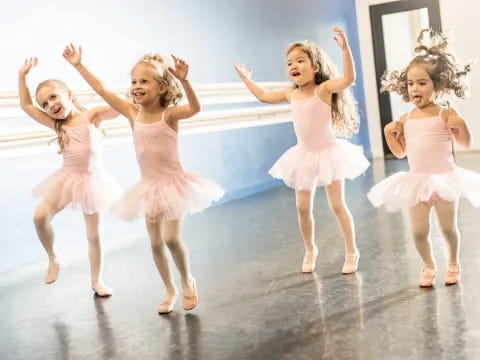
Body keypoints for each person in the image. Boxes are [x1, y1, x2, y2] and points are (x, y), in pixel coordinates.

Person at [64, 44, 224, 313]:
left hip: (174, 185)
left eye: (144, 81)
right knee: (155, 243)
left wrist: (185, 81)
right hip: (148, 188)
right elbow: (102, 90)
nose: (137, 86)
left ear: (161, 87)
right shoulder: (132, 113)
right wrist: (79, 65)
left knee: (172, 239)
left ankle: (187, 280)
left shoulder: (169, 115)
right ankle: (170, 289)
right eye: (134, 81)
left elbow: (195, 108)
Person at [234, 28, 369, 274]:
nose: (293, 65)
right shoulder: (291, 93)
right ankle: (310, 248)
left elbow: (348, 79)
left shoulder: (324, 90)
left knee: (337, 205)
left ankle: (351, 250)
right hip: (304, 155)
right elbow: (264, 96)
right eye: (289, 63)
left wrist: (345, 49)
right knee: (302, 208)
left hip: (328, 152)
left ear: (314, 66)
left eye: (299, 61)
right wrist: (246, 79)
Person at [367, 29, 480, 287]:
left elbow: (465, 144)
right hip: (417, 182)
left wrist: (461, 125)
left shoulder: (444, 114)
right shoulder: (406, 119)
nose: (414, 88)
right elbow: (400, 152)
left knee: (448, 229)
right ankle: (429, 265)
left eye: (421, 82)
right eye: (410, 83)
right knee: (418, 232)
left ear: (436, 86)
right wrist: (388, 133)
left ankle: (453, 261)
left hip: (444, 180)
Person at [18, 57, 122, 296]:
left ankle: (97, 281)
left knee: (94, 235)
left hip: (92, 182)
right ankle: (54, 256)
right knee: (39, 217)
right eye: (45, 103)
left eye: (53, 96)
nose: (50, 105)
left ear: (69, 94)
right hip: (66, 179)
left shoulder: (92, 115)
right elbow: (25, 105)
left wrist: (79, 66)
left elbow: (116, 105)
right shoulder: (56, 124)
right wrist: (22, 76)